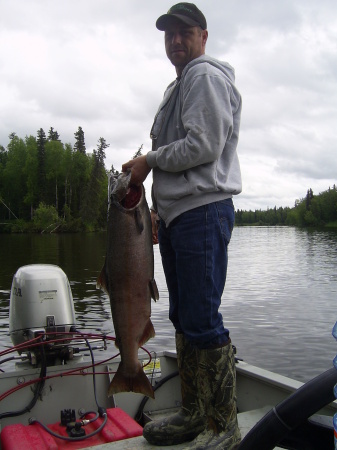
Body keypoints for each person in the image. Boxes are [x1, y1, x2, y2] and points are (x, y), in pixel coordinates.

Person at [122, 3, 242, 449]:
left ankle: (223, 425)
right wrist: (157, 211)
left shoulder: (205, 76)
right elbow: (179, 157)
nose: (175, 41)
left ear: (204, 36)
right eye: (169, 34)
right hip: (178, 217)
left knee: (203, 320)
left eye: (184, 32)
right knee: (183, 317)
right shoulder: (180, 85)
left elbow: (203, 145)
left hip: (203, 212)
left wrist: (148, 161)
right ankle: (194, 414)